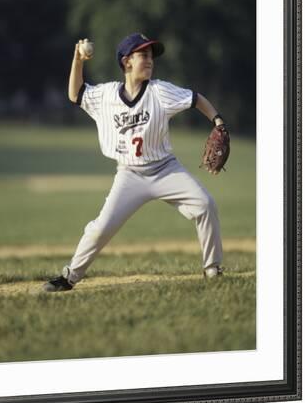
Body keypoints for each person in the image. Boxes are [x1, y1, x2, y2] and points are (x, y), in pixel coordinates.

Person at [43, 33, 227, 292]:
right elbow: (76, 94)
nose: (150, 60)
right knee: (101, 228)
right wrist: (77, 59)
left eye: (151, 55)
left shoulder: (160, 91)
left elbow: (196, 99)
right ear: (127, 61)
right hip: (129, 174)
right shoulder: (106, 95)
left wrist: (218, 121)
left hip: (165, 169)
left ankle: (212, 268)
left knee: (205, 204)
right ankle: (70, 276)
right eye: (143, 55)